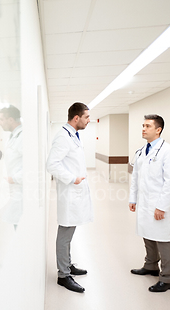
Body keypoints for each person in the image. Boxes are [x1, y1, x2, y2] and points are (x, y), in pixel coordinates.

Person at [129, 114, 170, 293]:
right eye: (143, 125)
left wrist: (162, 206)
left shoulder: (169, 152)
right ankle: (151, 265)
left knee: (162, 239)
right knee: (147, 234)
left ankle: (167, 278)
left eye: (148, 126)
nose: (143, 129)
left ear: (158, 129)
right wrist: (132, 198)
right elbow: (135, 177)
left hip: (158, 204)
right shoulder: (142, 151)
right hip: (144, 202)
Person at [46, 102, 93, 293]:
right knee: (65, 234)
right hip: (70, 193)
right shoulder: (63, 137)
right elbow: (52, 164)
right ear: (76, 118)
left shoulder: (72, 135)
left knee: (69, 231)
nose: (89, 120)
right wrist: (72, 179)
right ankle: (63, 275)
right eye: (87, 117)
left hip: (75, 193)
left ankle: (68, 265)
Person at [0, 105, 23, 229]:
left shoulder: (23, 137)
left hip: (22, 188)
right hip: (15, 189)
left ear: (11, 120)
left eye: (2, 119)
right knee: (16, 223)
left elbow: (32, 164)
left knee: (20, 225)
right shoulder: (14, 136)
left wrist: (15, 178)